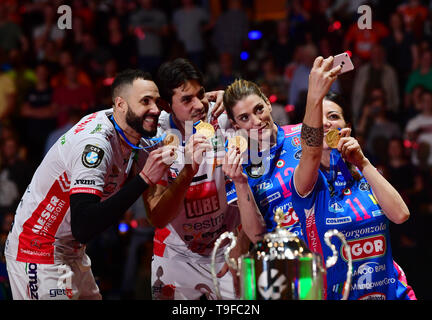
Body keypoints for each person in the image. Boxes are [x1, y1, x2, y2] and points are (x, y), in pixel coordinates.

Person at [4, 69, 175, 300]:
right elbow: (83, 226)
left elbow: (178, 115)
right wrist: (143, 179)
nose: (155, 109)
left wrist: (212, 102)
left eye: (156, 101)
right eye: (146, 101)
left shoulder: (132, 124)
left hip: (72, 250)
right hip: (38, 250)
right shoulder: (94, 146)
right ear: (121, 104)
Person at [291, 55, 416, 300]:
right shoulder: (305, 180)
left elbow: (401, 215)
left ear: (347, 125)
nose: (326, 123)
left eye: (334, 117)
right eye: (320, 118)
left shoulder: (363, 171)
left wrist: (364, 163)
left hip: (391, 293)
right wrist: (314, 95)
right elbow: (311, 152)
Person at [143, 58, 265, 300]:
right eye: (187, 100)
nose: (199, 105)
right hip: (176, 258)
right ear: (166, 105)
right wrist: (188, 170)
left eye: (201, 94)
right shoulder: (154, 139)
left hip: (228, 251)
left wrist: (242, 243)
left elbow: (260, 181)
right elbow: (157, 217)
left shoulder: (224, 117)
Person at [222, 78, 303, 236]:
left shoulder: (301, 135)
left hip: (324, 245)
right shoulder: (237, 162)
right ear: (235, 124)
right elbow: (255, 235)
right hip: (279, 254)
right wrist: (240, 182)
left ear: (268, 103)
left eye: (259, 109)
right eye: (244, 118)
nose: (257, 121)